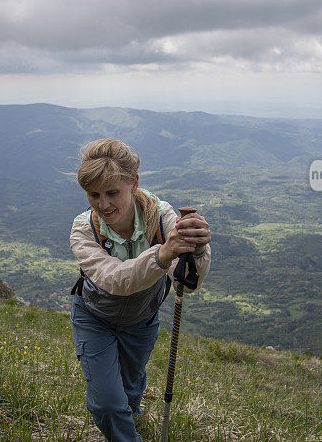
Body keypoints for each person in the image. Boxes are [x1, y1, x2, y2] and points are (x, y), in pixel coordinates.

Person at [69, 138, 211, 441]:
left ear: (134, 182)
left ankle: (131, 411)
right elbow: (115, 280)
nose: (103, 204)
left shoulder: (162, 217)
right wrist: (162, 254)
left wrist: (197, 250)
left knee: (131, 389)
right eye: (93, 194)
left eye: (112, 193)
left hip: (141, 322)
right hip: (94, 319)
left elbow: (189, 281)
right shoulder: (83, 229)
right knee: (107, 403)